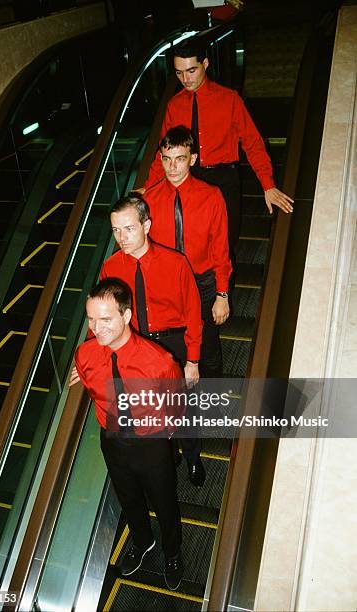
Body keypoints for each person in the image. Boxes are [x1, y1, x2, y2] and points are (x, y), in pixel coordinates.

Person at [141, 39, 294, 269]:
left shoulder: (229, 99)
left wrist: (267, 184)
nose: (186, 79)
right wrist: (149, 186)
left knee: (223, 247)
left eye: (191, 70)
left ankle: (221, 298)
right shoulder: (174, 105)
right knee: (187, 247)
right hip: (187, 179)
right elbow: (163, 152)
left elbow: (252, 143)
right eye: (179, 73)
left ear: (205, 63)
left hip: (223, 180)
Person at [72, 278, 184, 590]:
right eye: (91, 319)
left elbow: (176, 401)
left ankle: (172, 551)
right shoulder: (85, 354)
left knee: (164, 501)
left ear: (126, 316)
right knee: (128, 496)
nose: (97, 328)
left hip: (151, 443)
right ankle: (142, 538)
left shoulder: (158, 362)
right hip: (112, 440)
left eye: (105, 319)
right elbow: (88, 376)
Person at [101, 194, 206, 486]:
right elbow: (104, 316)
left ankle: (193, 456)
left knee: (184, 407)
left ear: (147, 225)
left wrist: (193, 359)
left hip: (172, 344)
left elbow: (193, 314)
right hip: (136, 348)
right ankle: (167, 451)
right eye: (116, 230)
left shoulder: (175, 262)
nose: (121, 237)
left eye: (129, 228)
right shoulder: (111, 267)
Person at [143, 125, 232, 379]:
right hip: (166, 286)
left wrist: (222, 294)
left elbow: (220, 249)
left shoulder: (212, 196)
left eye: (180, 160)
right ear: (160, 159)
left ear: (192, 159)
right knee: (175, 347)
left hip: (203, 282)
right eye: (167, 160)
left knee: (209, 346)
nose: (172, 168)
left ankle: (212, 400)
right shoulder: (149, 199)